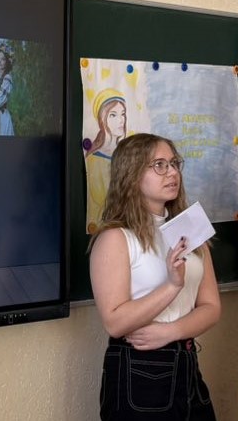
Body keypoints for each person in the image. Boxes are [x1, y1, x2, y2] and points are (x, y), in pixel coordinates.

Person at [90, 133, 220, 421]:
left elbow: (211, 307)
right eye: (159, 165)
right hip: (140, 371)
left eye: (174, 163)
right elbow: (115, 322)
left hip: (187, 363)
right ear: (132, 174)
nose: (172, 172)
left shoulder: (190, 230)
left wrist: (173, 331)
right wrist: (172, 286)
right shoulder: (115, 238)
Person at [84, 88, 127, 233]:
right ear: (103, 120)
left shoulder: (127, 155)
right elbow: (101, 203)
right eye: (113, 115)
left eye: (123, 114)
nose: (121, 120)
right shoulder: (94, 160)